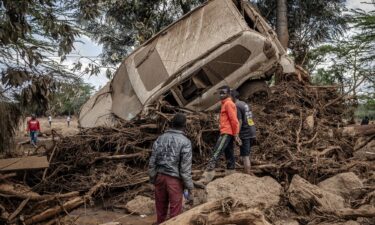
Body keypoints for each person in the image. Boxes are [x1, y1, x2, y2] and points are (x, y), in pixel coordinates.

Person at [149, 113, 194, 224]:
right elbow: (185, 169)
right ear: (185, 125)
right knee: (175, 214)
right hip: (174, 181)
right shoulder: (185, 142)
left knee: (161, 211)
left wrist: (152, 179)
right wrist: (190, 187)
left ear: (172, 124)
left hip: (159, 177)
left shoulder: (160, 138)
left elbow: (152, 161)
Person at [199, 85, 240, 184]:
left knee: (216, 152)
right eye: (220, 93)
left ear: (228, 94)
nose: (221, 95)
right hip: (226, 131)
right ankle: (231, 173)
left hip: (227, 132)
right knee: (229, 153)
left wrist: (236, 134)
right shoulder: (225, 103)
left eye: (223, 93)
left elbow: (234, 120)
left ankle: (207, 175)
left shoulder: (228, 104)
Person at [231, 90, 256, 174]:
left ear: (233, 97)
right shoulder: (244, 104)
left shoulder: (236, 106)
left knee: (245, 156)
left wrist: (236, 134)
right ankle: (248, 172)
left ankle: (247, 175)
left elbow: (240, 121)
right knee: (247, 154)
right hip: (251, 130)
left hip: (245, 132)